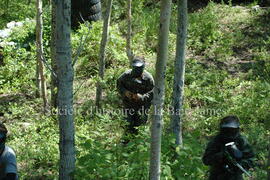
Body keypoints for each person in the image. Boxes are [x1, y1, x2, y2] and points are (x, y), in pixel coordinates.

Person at [202, 115, 255, 180]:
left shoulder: (241, 141)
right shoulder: (216, 141)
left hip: (235, 176)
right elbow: (206, 160)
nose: (229, 133)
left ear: (236, 129)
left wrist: (239, 165)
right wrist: (220, 156)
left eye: (231, 130)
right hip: (217, 175)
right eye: (227, 130)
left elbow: (251, 159)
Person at [117, 58, 154, 134]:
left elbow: (152, 94)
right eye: (135, 70)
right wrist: (125, 92)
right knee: (127, 125)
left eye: (139, 70)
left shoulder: (148, 79)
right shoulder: (126, 76)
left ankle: (138, 143)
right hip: (128, 105)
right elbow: (119, 85)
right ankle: (126, 143)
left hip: (142, 107)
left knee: (140, 127)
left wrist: (141, 97)